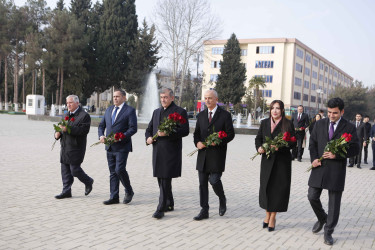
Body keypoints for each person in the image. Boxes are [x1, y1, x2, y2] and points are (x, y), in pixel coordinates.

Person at [308, 97, 359, 246]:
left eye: (335, 113)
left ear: (342, 112)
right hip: (319, 166)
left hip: (336, 169)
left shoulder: (349, 127)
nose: (331, 115)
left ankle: (328, 231)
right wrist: (313, 159)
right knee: (312, 196)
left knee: (334, 203)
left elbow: (355, 148)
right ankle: (322, 218)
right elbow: (312, 144)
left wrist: (338, 155)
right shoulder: (319, 124)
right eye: (329, 112)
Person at [145, 88, 189, 219]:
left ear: (172, 98)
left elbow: (185, 130)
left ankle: (161, 208)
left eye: (165, 97)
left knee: (165, 178)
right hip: (157, 151)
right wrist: (148, 138)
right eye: (161, 97)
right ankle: (169, 203)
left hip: (171, 151)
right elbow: (149, 129)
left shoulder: (180, 112)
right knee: (161, 177)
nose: (163, 99)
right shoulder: (156, 112)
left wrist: (168, 133)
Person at [193, 90, 235, 221]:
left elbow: (230, 134)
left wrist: (217, 141)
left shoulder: (225, 115)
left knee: (214, 180)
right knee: (202, 184)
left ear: (216, 99)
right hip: (203, 155)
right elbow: (196, 134)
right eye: (205, 98)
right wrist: (197, 143)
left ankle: (222, 199)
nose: (207, 101)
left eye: (210, 98)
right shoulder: (200, 115)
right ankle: (204, 210)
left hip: (217, 155)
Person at [255, 100, 296, 232]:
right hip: (267, 161)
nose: (275, 111)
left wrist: (280, 147)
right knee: (266, 188)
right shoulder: (264, 123)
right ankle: (267, 214)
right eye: (273, 108)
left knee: (277, 190)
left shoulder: (288, 124)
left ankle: (273, 217)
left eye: (278, 108)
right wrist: (259, 147)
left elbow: (293, 143)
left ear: (282, 110)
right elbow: (258, 139)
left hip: (282, 162)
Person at [98, 89, 137, 205]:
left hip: (122, 146)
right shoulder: (109, 109)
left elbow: (133, 128)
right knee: (112, 172)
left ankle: (129, 191)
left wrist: (121, 136)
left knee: (119, 169)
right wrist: (101, 136)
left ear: (124, 98)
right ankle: (114, 197)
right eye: (114, 96)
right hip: (109, 146)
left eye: (118, 96)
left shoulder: (130, 110)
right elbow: (101, 126)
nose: (115, 98)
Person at [54, 95, 94, 199]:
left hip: (76, 147)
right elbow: (59, 128)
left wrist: (68, 129)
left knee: (74, 170)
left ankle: (88, 181)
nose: (68, 105)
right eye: (67, 103)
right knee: (65, 170)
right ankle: (66, 191)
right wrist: (57, 134)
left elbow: (83, 131)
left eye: (70, 103)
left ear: (77, 103)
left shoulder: (84, 116)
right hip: (65, 147)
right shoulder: (65, 115)